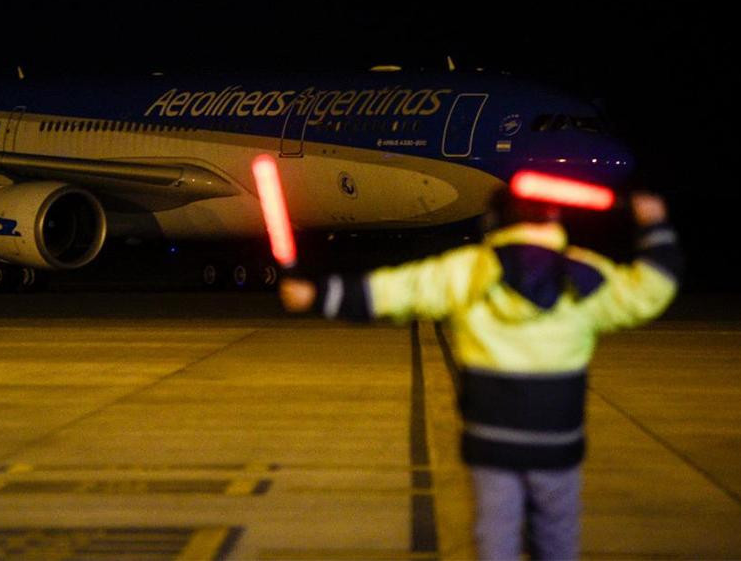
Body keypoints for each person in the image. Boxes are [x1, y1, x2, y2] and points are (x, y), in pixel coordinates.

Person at [280, 185, 683, 561]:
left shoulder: (471, 271)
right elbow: (650, 291)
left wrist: (317, 296)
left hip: (492, 442)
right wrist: (654, 224)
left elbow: (395, 291)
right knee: (558, 537)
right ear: (554, 219)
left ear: (495, 221)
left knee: (495, 538)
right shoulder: (584, 275)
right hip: (558, 442)